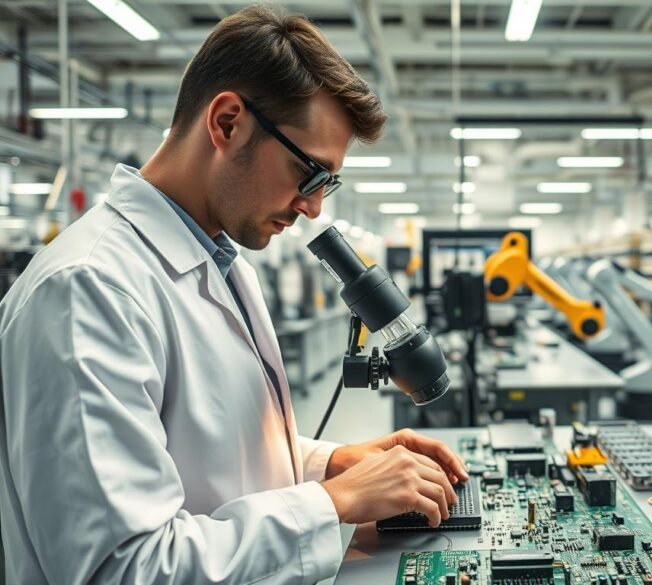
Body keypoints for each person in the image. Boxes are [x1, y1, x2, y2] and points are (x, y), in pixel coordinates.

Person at [0, 5, 468, 583]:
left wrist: (331, 464)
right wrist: (335, 502)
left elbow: (214, 453)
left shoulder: (225, 263)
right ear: (226, 123)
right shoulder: (87, 291)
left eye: (329, 183)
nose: (313, 206)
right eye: (311, 174)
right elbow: (123, 568)